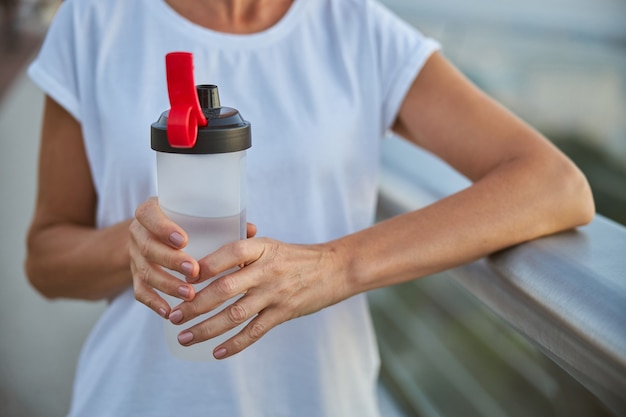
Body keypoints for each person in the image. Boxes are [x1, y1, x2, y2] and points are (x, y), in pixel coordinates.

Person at [24, 0, 595, 416]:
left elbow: (555, 184)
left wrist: (336, 265)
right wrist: (131, 246)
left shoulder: (358, 29)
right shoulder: (94, 21)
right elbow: (46, 258)